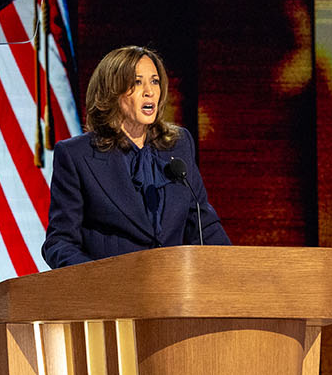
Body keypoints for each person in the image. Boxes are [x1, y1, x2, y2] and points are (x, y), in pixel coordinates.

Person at [42, 45, 230, 268]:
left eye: (155, 81)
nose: (149, 91)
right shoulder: (77, 156)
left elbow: (204, 226)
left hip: (173, 292)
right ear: (112, 91)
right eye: (137, 82)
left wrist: (234, 273)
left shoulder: (178, 145)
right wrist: (97, 279)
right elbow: (59, 242)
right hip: (113, 294)